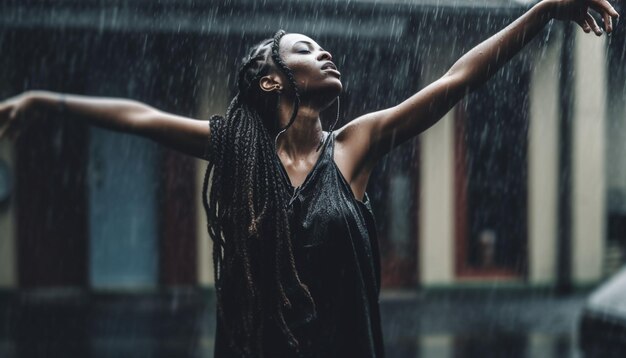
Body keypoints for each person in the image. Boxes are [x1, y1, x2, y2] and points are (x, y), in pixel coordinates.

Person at [0, 0, 619, 356]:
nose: (325, 52)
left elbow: (457, 79)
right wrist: (44, 101)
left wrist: (545, 10)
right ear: (272, 79)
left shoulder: (355, 146)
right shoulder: (237, 149)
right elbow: (139, 116)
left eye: (323, 47)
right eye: (304, 49)